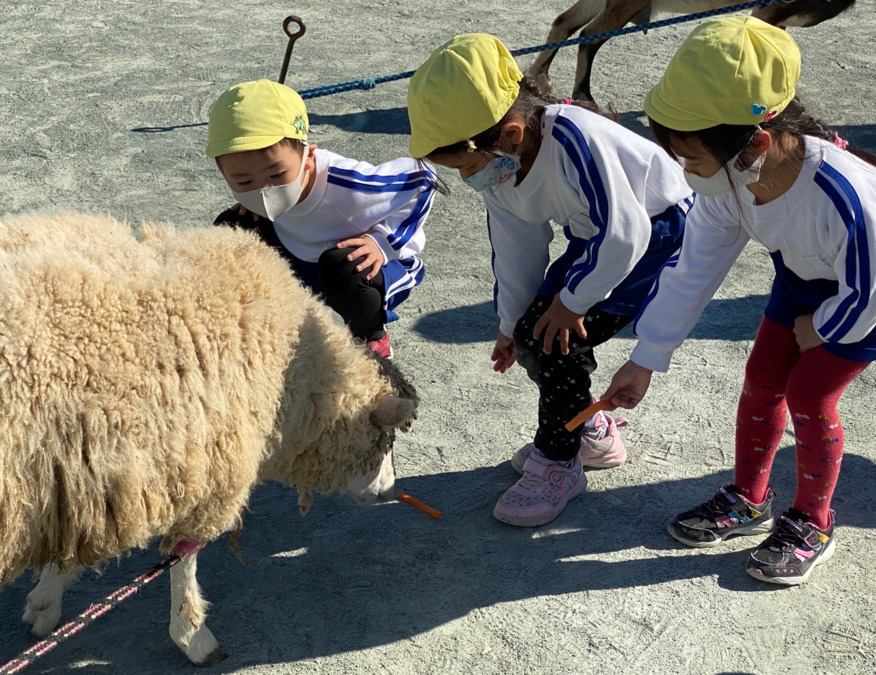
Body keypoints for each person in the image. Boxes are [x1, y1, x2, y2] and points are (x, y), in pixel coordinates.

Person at [602, 17, 876, 584]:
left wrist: (825, 326)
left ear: (757, 143)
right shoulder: (730, 184)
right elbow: (692, 272)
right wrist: (647, 355)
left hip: (863, 300)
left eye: (693, 160)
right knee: (762, 377)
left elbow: (872, 286)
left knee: (808, 391)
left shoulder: (844, 196)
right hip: (803, 282)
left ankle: (812, 521)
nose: (685, 174)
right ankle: (749, 499)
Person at [406, 34, 694, 527]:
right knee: (531, 332)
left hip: (659, 235)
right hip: (599, 239)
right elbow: (517, 248)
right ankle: (589, 428)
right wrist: (508, 322)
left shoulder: (577, 139)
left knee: (558, 340)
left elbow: (626, 234)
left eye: (467, 166)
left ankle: (560, 461)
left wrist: (575, 302)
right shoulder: (501, 170)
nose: (466, 178)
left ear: (511, 135)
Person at [206, 79, 436, 359]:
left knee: (343, 266)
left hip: (363, 270)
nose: (264, 190)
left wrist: (383, 243)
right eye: (243, 180)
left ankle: (371, 336)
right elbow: (259, 196)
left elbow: (423, 177)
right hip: (302, 259)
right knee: (231, 230)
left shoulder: (349, 185)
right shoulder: (261, 190)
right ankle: (258, 321)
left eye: (277, 176)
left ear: (308, 157)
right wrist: (250, 203)